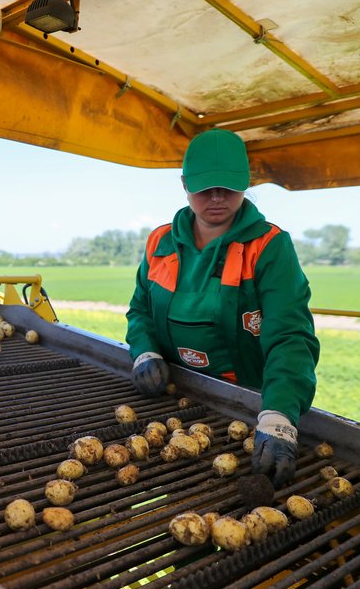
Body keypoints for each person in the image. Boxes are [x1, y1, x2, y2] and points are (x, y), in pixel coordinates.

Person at [125, 128, 319, 489]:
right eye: (204, 188)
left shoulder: (268, 246)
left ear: (246, 183)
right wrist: (144, 351)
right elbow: (140, 311)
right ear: (184, 184)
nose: (217, 197)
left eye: (228, 186)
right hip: (175, 401)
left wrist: (278, 416)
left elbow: (290, 336)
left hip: (250, 407)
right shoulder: (160, 242)